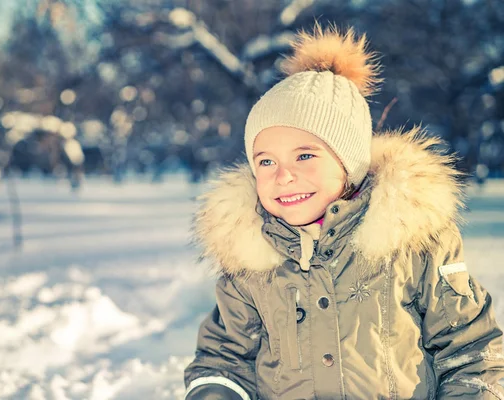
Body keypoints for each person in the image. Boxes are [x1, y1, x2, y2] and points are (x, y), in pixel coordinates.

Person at [184, 24, 504, 400]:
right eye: (266, 161)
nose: (284, 175)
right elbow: (224, 358)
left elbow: (470, 348)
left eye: (305, 155)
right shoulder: (253, 262)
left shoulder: (412, 243)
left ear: (349, 162)